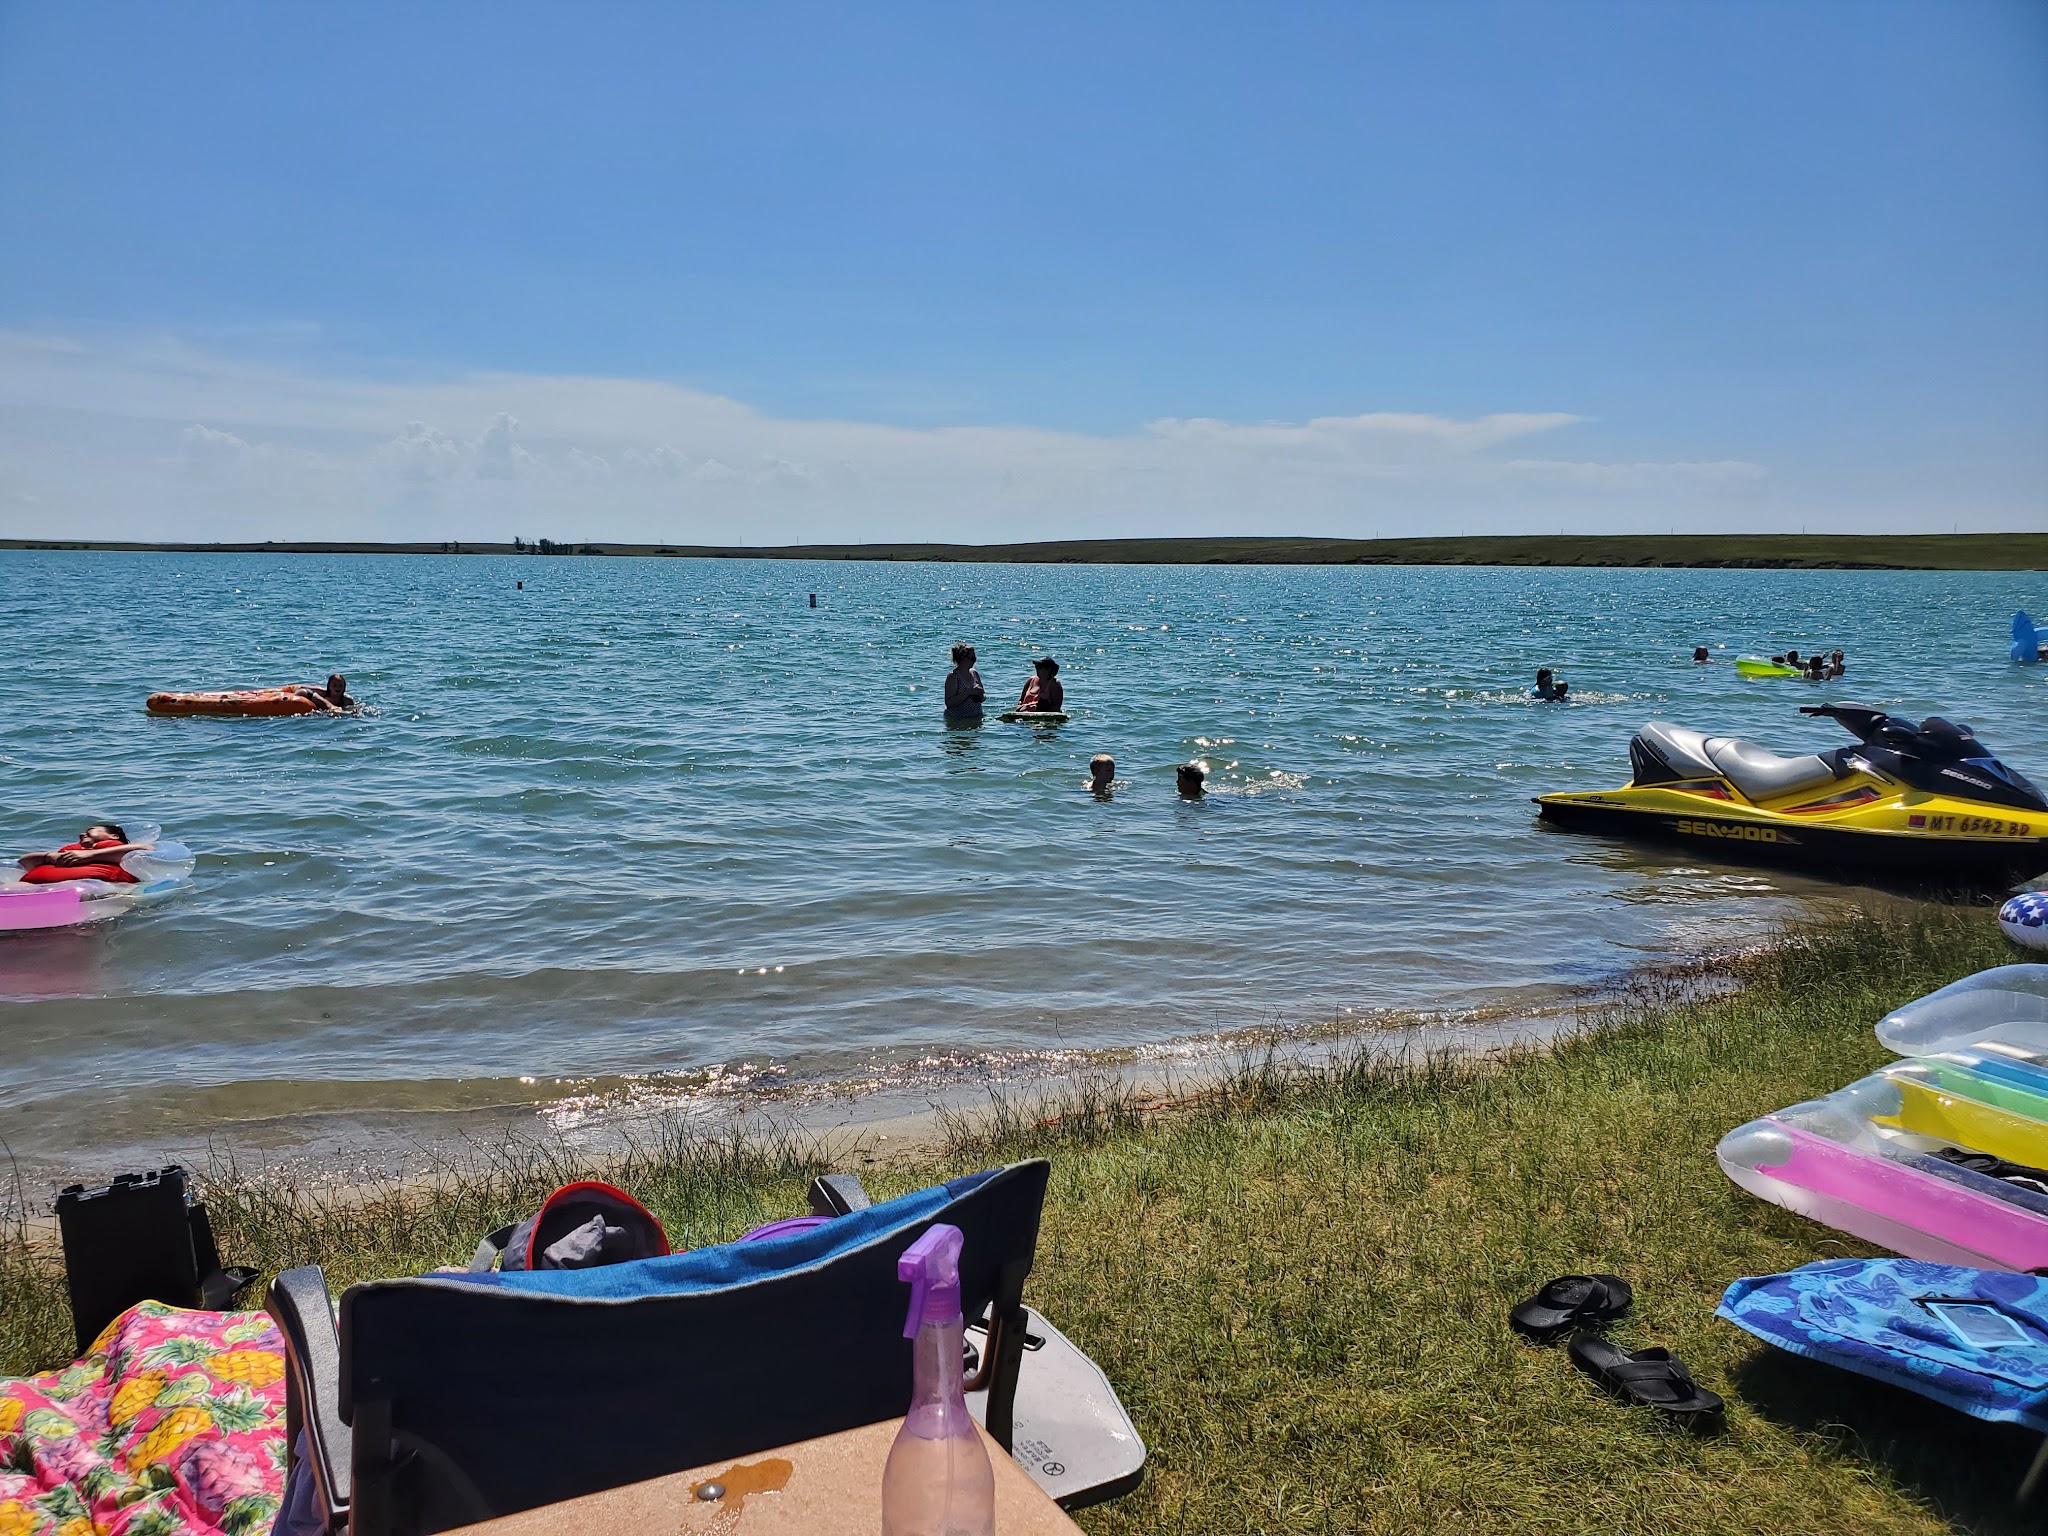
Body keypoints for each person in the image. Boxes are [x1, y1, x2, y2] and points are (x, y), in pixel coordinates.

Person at [17, 823, 152, 885]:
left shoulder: (119, 848)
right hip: (33, 885)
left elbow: (146, 850)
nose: (82, 834)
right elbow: (24, 863)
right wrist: (48, 857)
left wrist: (89, 856)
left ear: (114, 836)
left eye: (91, 830)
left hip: (88, 888)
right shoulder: (71, 849)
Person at [943, 644, 985, 721]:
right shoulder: (953, 676)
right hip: (957, 719)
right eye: (972, 658)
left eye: (975, 657)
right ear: (963, 658)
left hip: (976, 718)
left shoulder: (974, 673)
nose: (975, 660)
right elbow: (949, 703)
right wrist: (969, 692)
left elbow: (983, 697)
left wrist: (980, 695)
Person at [291, 674, 357, 713]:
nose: (338, 688)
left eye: (340, 685)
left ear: (344, 687)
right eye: (334, 685)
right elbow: (299, 687)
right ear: (329, 686)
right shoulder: (323, 692)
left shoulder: (347, 700)